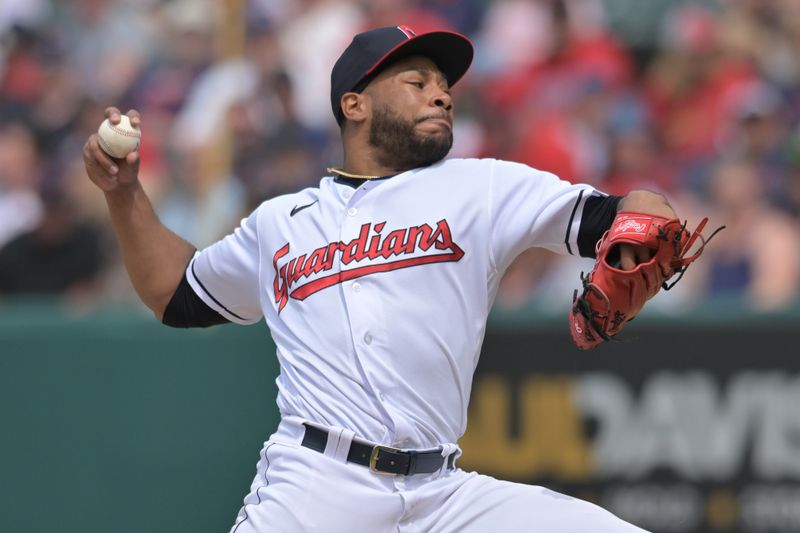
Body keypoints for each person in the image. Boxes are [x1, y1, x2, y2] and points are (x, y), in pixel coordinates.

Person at [83, 25, 675, 533]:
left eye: (445, 88)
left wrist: (642, 234)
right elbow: (176, 293)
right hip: (315, 487)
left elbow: (629, 210)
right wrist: (124, 193)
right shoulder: (280, 223)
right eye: (418, 83)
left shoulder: (482, 187)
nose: (441, 96)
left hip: (444, 497)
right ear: (354, 104)